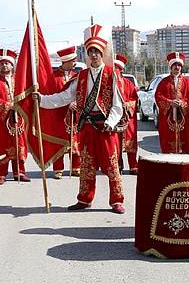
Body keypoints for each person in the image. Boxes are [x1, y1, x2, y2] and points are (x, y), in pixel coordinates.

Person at [37, 25, 126, 213]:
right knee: (87, 165)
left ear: (102, 53)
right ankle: (84, 199)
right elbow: (65, 96)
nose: (93, 55)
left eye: (96, 51)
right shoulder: (82, 76)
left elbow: (118, 104)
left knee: (111, 164)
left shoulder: (112, 74)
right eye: (90, 51)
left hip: (105, 127)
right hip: (86, 126)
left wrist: (110, 122)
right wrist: (42, 100)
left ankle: (116, 200)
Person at [0, 48, 30, 184]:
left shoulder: (19, 80)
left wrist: (20, 107)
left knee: (19, 143)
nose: (5, 65)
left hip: (18, 119)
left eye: (7, 63)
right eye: (2, 63)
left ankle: (20, 172)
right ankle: (1, 174)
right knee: (2, 144)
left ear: (12, 65)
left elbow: (25, 95)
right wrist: (8, 106)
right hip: (1, 121)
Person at [154, 51, 189, 154]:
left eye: (179, 65)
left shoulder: (188, 82)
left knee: (185, 141)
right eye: (175, 65)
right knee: (168, 141)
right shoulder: (164, 82)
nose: (177, 67)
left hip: (184, 118)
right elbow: (158, 96)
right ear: (171, 67)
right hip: (168, 118)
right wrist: (169, 102)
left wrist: (182, 103)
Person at [52, 45, 80, 179]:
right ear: (66, 61)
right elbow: (51, 95)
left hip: (75, 114)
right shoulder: (53, 78)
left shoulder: (77, 77)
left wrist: (76, 103)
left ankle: (76, 167)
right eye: (73, 61)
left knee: (76, 140)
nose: (75, 63)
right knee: (59, 141)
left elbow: (81, 94)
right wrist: (66, 104)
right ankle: (58, 168)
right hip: (59, 115)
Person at [114, 54, 139, 174]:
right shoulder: (108, 84)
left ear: (121, 70)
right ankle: (117, 165)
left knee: (130, 142)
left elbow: (134, 99)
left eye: (117, 68)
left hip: (128, 118)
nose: (115, 71)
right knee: (115, 143)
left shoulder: (129, 84)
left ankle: (133, 165)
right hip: (114, 117)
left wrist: (127, 105)